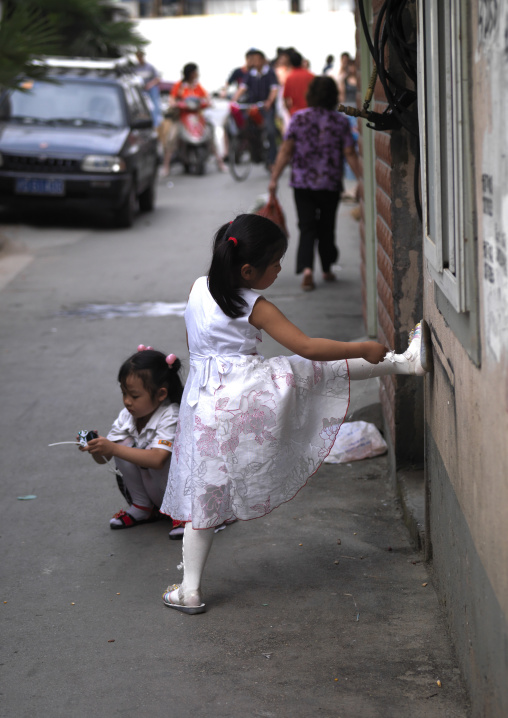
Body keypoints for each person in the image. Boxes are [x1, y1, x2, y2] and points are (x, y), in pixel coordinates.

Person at [159, 213, 433, 614]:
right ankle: (403, 363)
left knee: (203, 496)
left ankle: (191, 589)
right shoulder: (255, 305)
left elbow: (196, 345)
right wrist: (360, 346)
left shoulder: (198, 288)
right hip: (242, 397)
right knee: (315, 371)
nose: (281, 269)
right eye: (275, 263)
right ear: (248, 269)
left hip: (201, 408)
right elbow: (307, 346)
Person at [269, 75, 359, 291]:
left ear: (310, 95)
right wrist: (361, 179)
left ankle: (307, 270)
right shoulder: (340, 121)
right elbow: (349, 153)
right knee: (327, 226)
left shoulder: (299, 118)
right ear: (332, 97)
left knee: (306, 226)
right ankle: (327, 268)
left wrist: (274, 178)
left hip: (302, 183)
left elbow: (286, 150)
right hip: (329, 183)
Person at [79, 346, 184, 531]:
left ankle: (182, 512)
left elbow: (158, 459)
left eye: (134, 395)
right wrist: (96, 448)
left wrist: (112, 448)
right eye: (124, 393)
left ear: (161, 394)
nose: (127, 401)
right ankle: (143, 506)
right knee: (121, 444)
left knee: (127, 448)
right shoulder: (127, 416)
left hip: (182, 493)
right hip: (157, 492)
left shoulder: (171, 414)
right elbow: (105, 458)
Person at [164, 62, 224, 175]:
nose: (197, 74)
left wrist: (209, 102)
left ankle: (220, 162)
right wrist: (174, 103)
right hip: (182, 117)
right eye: (195, 72)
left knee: (210, 135)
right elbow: (172, 98)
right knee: (171, 137)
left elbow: (206, 97)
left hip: (197, 117)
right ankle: (166, 166)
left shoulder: (197, 86)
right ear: (191, 73)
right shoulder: (180, 86)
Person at [233, 49, 279, 168]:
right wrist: (234, 100)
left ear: (263, 60)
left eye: (256, 59)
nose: (254, 62)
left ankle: (272, 159)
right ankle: (254, 153)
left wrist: (269, 101)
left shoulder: (270, 72)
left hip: (265, 107)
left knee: (270, 131)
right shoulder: (250, 74)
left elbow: (274, 89)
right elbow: (242, 88)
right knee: (246, 129)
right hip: (252, 107)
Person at [135, 50, 162, 128]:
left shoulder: (150, 67)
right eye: (138, 56)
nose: (140, 58)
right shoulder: (136, 68)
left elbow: (157, 78)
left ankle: (157, 124)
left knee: (155, 106)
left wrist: (150, 85)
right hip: (142, 89)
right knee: (143, 107)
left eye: (141, 56)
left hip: (151, 88)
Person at [283, 50, 314, 116]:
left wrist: (289, 111)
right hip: (311, 111)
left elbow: (285, 98)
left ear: (290, 63)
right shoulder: (311, 76)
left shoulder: (289, 78)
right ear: (301, 61)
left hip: (296, 112)